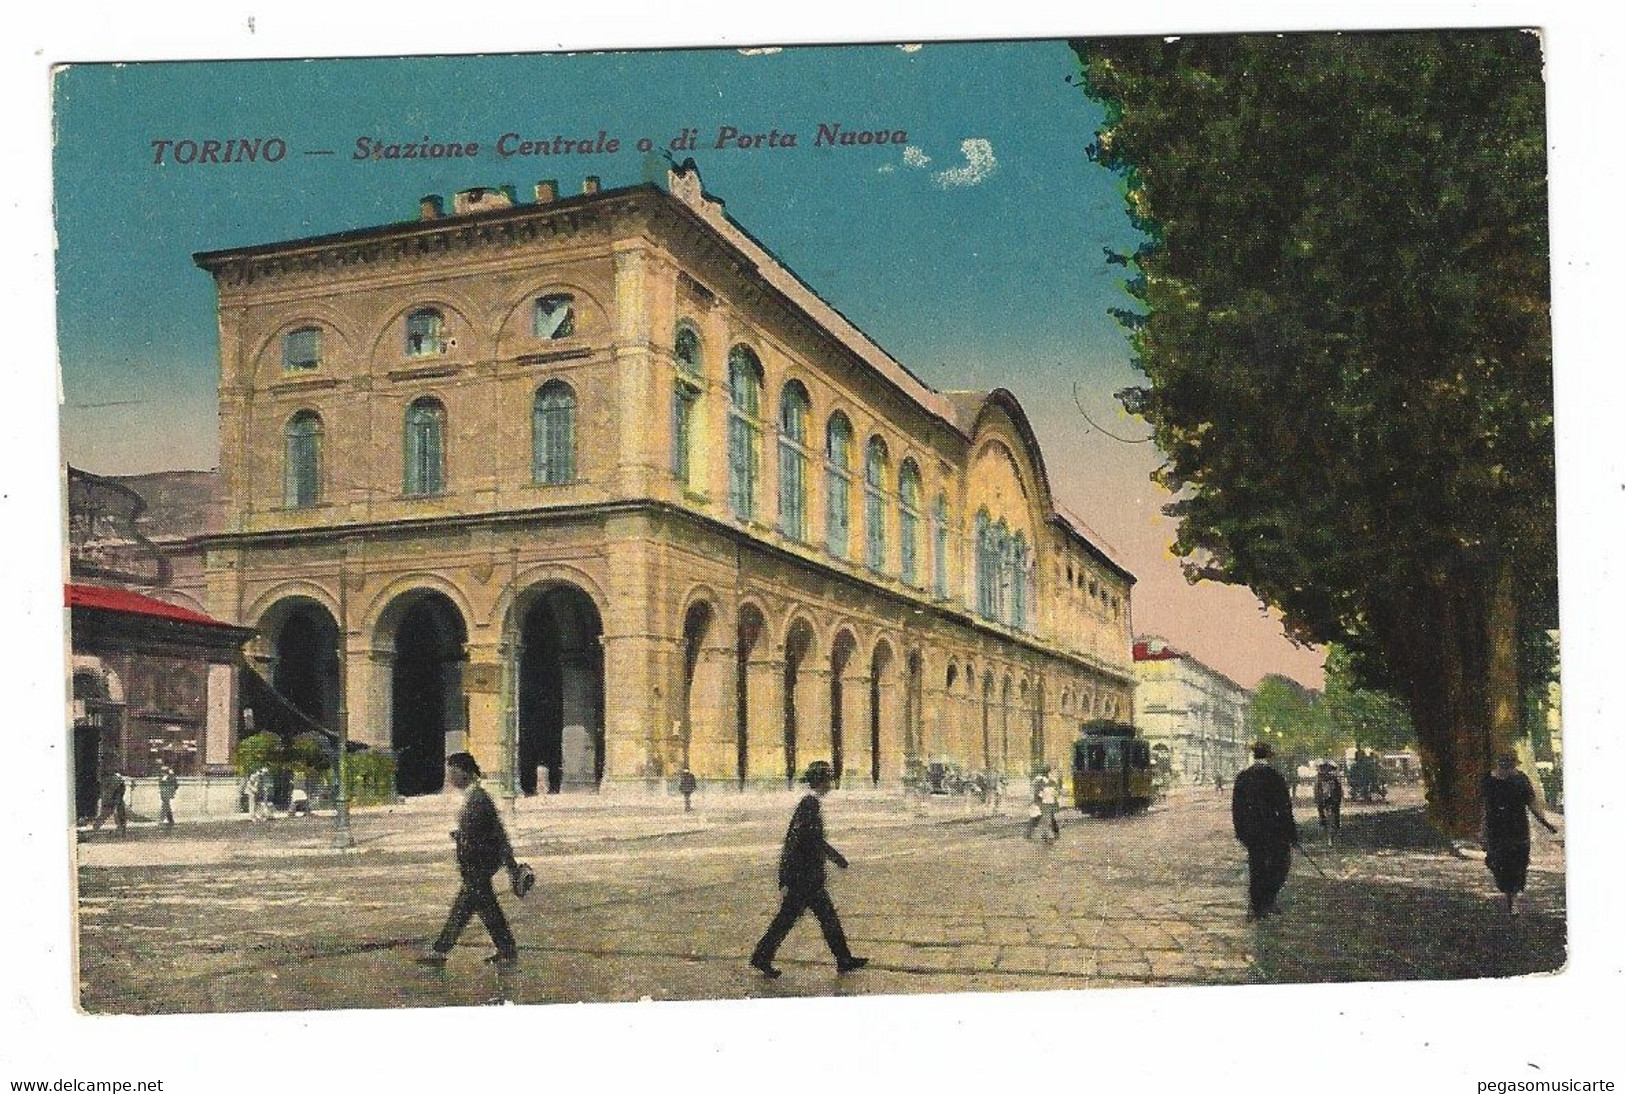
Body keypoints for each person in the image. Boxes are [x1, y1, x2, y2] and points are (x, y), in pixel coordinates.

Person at [750, 760, 868, 978]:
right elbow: (801, 841)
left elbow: (807, 840)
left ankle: (843, 959)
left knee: (819, 918)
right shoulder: (809, 805)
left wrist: (834, 858)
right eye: (828, 780)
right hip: (804, 879)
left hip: (806, 878)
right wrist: (834, 858)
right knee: (793, 919)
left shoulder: (810, 804)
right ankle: (762, 956)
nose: (831, 784)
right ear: (821, 782)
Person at [418, 752, 523, 966]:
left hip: (478, 865)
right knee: (484, 908)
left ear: (466, 773)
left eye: (454, 772)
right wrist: (461, 835)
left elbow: (497, 834)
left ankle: (440, 951)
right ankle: (507, 950)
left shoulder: (479, 799)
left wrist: (511, 866)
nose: (450, 777)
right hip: (476, 866)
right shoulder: (474, 797)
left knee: (466, 909)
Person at [1482, 753, 1558, 914]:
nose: (1507, 769)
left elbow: (1531, 803)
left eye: (1509, 765)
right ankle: (1510, 893)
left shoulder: (1520, 779)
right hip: (1496, 829)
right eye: (1504, 765)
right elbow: (1483, 806)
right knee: (1499, 862)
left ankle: (1513, 896)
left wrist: (1546, 823)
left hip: (1517, 828)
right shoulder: (1489, 780)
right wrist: (1481, 831)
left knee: (1518, 862)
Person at [1231, 742, 1299, 920]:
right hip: (1273, 830)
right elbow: (1285, 808)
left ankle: (1257, 904)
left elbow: (1236, 808)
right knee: (1280, 865)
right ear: (1269, 756)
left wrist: (1240, 831)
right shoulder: (1275, 777)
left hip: (1251, 832)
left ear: (1254, 756)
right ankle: (1267, 900)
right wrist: (1291, 833)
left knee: (1257, 866)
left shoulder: (1243, 777)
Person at [1313, 761, 1343, 844]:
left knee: (1335, 811)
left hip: (1333, 799)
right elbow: (1317, 793)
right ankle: (1323, 820)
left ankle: (1335, 827)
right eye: (1324, 768)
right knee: (1321, 809)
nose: (1326, 771)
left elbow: (1338, 791)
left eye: (1328, 769)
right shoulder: (1319, 779)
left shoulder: (1334, 779)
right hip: (1323, 799)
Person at [91, 770, 128, 836]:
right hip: (114, 800)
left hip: (115, 800)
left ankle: (121, 830)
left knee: (115, 813)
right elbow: (111, 792)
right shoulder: (114, 780)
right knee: (109, 813)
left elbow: (119, 791)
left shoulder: (115, 780)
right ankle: (96, 827)